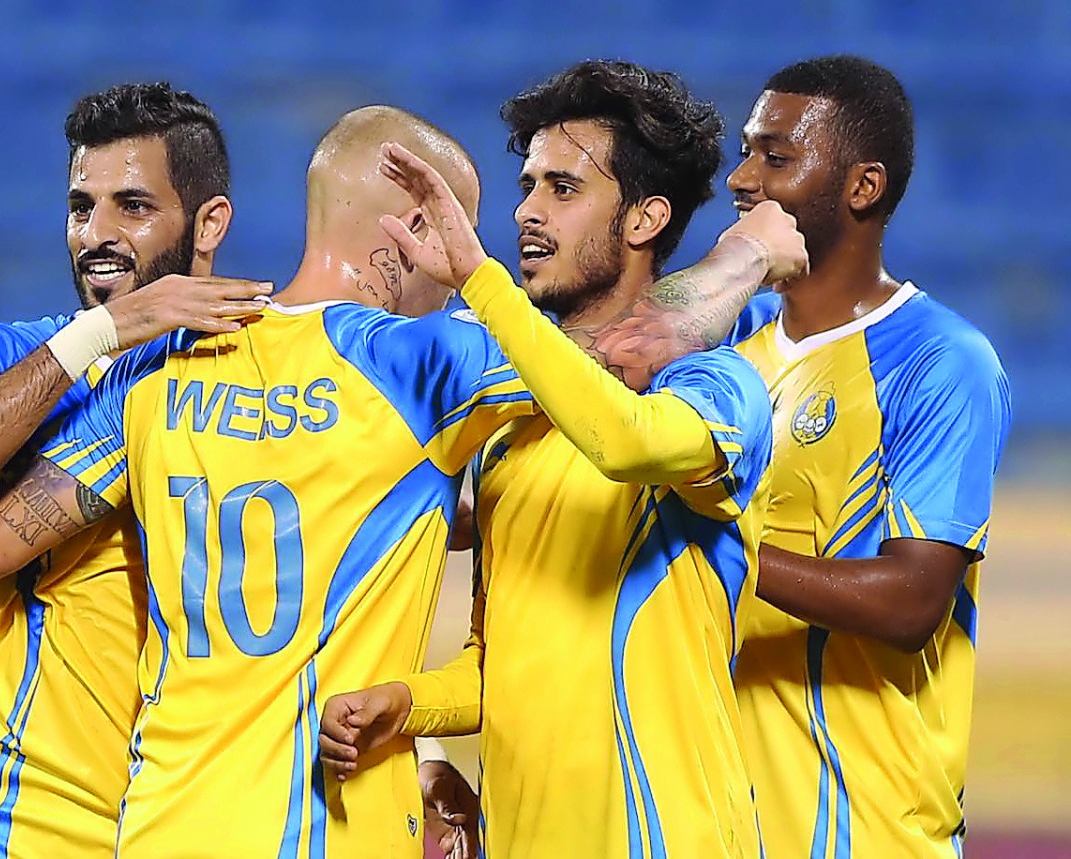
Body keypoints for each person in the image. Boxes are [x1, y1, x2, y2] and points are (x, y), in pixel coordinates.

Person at [0, 97, 803, 857]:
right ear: (416, 229)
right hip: (320, 826)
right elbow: (616, 347)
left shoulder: (166, 362)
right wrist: (742, 261)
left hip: (162, 820)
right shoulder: (423, 361)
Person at [318, 61, 806, 858]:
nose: (528, 213)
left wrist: (480, 281)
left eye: (564, 189)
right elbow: (502, 667)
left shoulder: (718, 386)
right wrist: (403, 702)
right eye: (529, 186)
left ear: (646, 219)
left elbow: (626, 442)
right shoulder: (509, 439)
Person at [0, 85, 271, 858]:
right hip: (26, 820)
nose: (96, 235)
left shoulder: (269, 386)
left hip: (192, 823)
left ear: (209, 222)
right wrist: (104, 331)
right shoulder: (21, 356)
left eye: (132, 206)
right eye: (81, 207)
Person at [722, 56, 1010, 857]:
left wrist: (722, 555)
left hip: (867, 830)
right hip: (718, 824)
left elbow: (912, 601)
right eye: (746, 151)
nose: (742, 179)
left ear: (862, 187)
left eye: (776, 157)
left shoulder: (942, 359)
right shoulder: (731, 356)